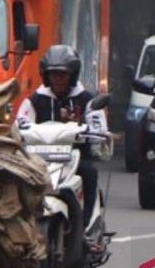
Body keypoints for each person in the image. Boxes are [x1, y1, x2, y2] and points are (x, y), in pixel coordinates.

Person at [16, 44, 104, 228]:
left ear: (73, 75)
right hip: (39, 161)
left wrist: (95, 136)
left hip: (75, 160)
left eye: (63, 74)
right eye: (53, 74)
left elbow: (99, 128)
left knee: (89, 172)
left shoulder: (87, 100)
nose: (58, 79)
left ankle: (86, 227)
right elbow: (19, 125)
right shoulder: (35, 100)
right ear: (46, 76)